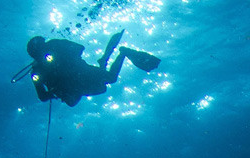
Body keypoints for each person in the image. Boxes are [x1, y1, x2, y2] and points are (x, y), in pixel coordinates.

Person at [20, 30, 160, 107]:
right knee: (99, 89)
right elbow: (42, 97)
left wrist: (63, 55)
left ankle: (122, 53)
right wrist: (55, 92)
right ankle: (104, 62)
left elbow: (79, 48)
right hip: (72, 88)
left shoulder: (55, 46)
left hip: (81, 73)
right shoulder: (36, 71)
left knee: (110, 79)